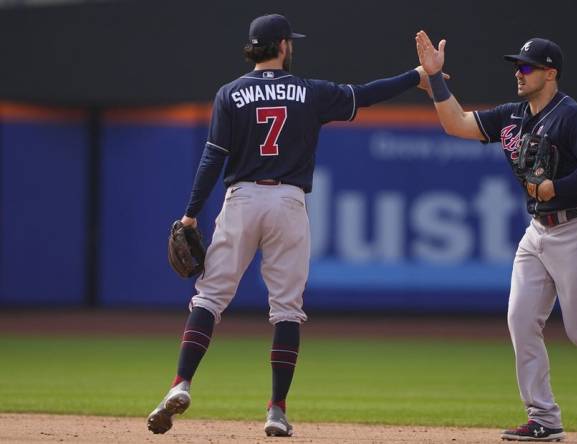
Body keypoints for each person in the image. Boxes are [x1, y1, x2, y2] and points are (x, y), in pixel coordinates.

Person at [146, 13, 434, 437]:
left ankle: (180, 383)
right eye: (290, 42)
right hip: (288, 201)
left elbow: (212, 158)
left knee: (208, 299)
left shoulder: (230, 93)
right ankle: (276, 410)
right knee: (286, 309)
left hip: (242, 199)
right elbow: (366, 95)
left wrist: (190, 213)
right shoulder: (309, 91)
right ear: (282, 45)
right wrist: (418, 75)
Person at [415, 31, 577, 442]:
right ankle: (544, 417)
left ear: (550, 73)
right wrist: (435, 78)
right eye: (516, 67)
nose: (518, 74)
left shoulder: (573, 116)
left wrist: (554, 188)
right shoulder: (513, 115)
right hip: (538, 231)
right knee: (521, 320)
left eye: (527, 67)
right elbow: (456, 124)